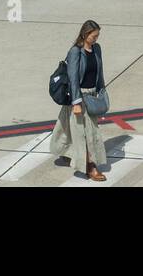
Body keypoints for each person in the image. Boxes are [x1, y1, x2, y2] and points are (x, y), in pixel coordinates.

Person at [49, 20, 108, 181]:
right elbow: (73, 78)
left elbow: (99, 72)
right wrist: (76, 102)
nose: (96, 39)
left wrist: (101, 92)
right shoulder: (75, 51)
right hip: (79, 96)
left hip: (92, 95)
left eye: (97, 36)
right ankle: (90, 166)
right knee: (88, 132)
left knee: (66, 126)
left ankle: (65, 152)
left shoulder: (97, 49)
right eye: (94, 36)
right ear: (85, 34)